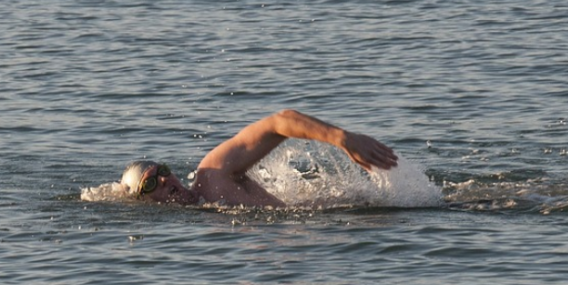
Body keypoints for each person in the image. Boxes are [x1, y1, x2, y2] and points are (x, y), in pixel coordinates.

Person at [120, 109, 398, 207]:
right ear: (142, 202)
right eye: (151, 184)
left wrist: (343, 138)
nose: (166, 179)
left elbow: (280, 122)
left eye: (163, 170)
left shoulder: (212, 175)